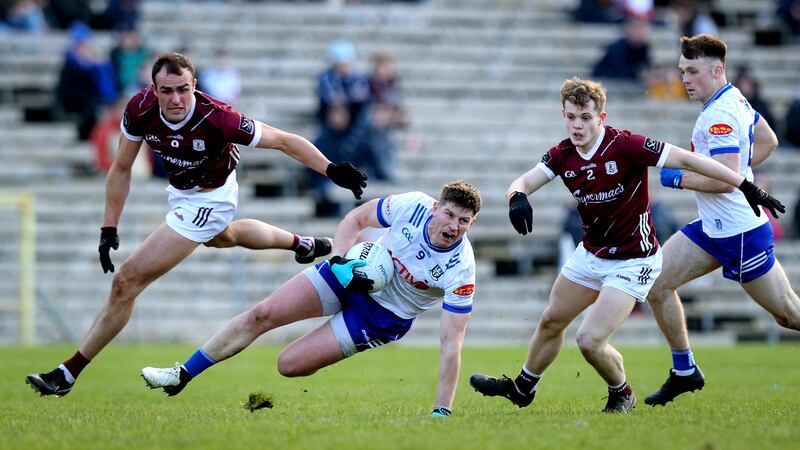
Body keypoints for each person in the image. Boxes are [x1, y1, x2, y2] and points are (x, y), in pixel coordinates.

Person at [25, 52, 369, 397]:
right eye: (166, 90)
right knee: (225, 237)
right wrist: (108, 228)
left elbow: (282, 140)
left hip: (212, 199)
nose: (175, 99)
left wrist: (331, 169)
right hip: (181, 192)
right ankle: (301, 243)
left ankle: (68, 373)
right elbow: (122, 168)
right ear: (154, 89)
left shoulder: (219, 118)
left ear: (195, 86)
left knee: (127, 281)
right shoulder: (139, 110)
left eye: (183, 90)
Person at [469, 77, 783, 413]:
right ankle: (523, 388)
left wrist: (744, 184)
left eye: (585, 117)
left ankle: (622, 394)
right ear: (563, 114)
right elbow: (525, 180)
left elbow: (688, 161)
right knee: (551, 320)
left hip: (634, 260)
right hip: (591, 253)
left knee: (589, 340)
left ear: (600, 117)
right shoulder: (563, 154)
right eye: (571, 117)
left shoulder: (627, 145)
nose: (578, 125)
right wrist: (517, 196)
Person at [139, 181, 482, 418]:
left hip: (381, 317)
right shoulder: (413, 206)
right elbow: (357, 218)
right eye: (449, 215)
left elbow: (452, 342)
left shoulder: (461, 269)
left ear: (472, 224)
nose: (453, 226)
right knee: (262, 314)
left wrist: (442, 409)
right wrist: (344, 258)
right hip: (351, 272)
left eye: (464, 221)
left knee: (288, 365)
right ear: (437, 208)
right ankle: (181, 373)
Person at [647, 34, 800, 407]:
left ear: (717, 70)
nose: (685, 78)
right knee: (655, 284)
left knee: (790, 315)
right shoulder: (733, 99)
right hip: (712, 231)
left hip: (741, 234)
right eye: (683, 70)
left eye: (694, 71)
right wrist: (742, 173)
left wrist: (677, 177)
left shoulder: (720, 114)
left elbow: (723, 179)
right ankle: (684, 371)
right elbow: (769, 141)